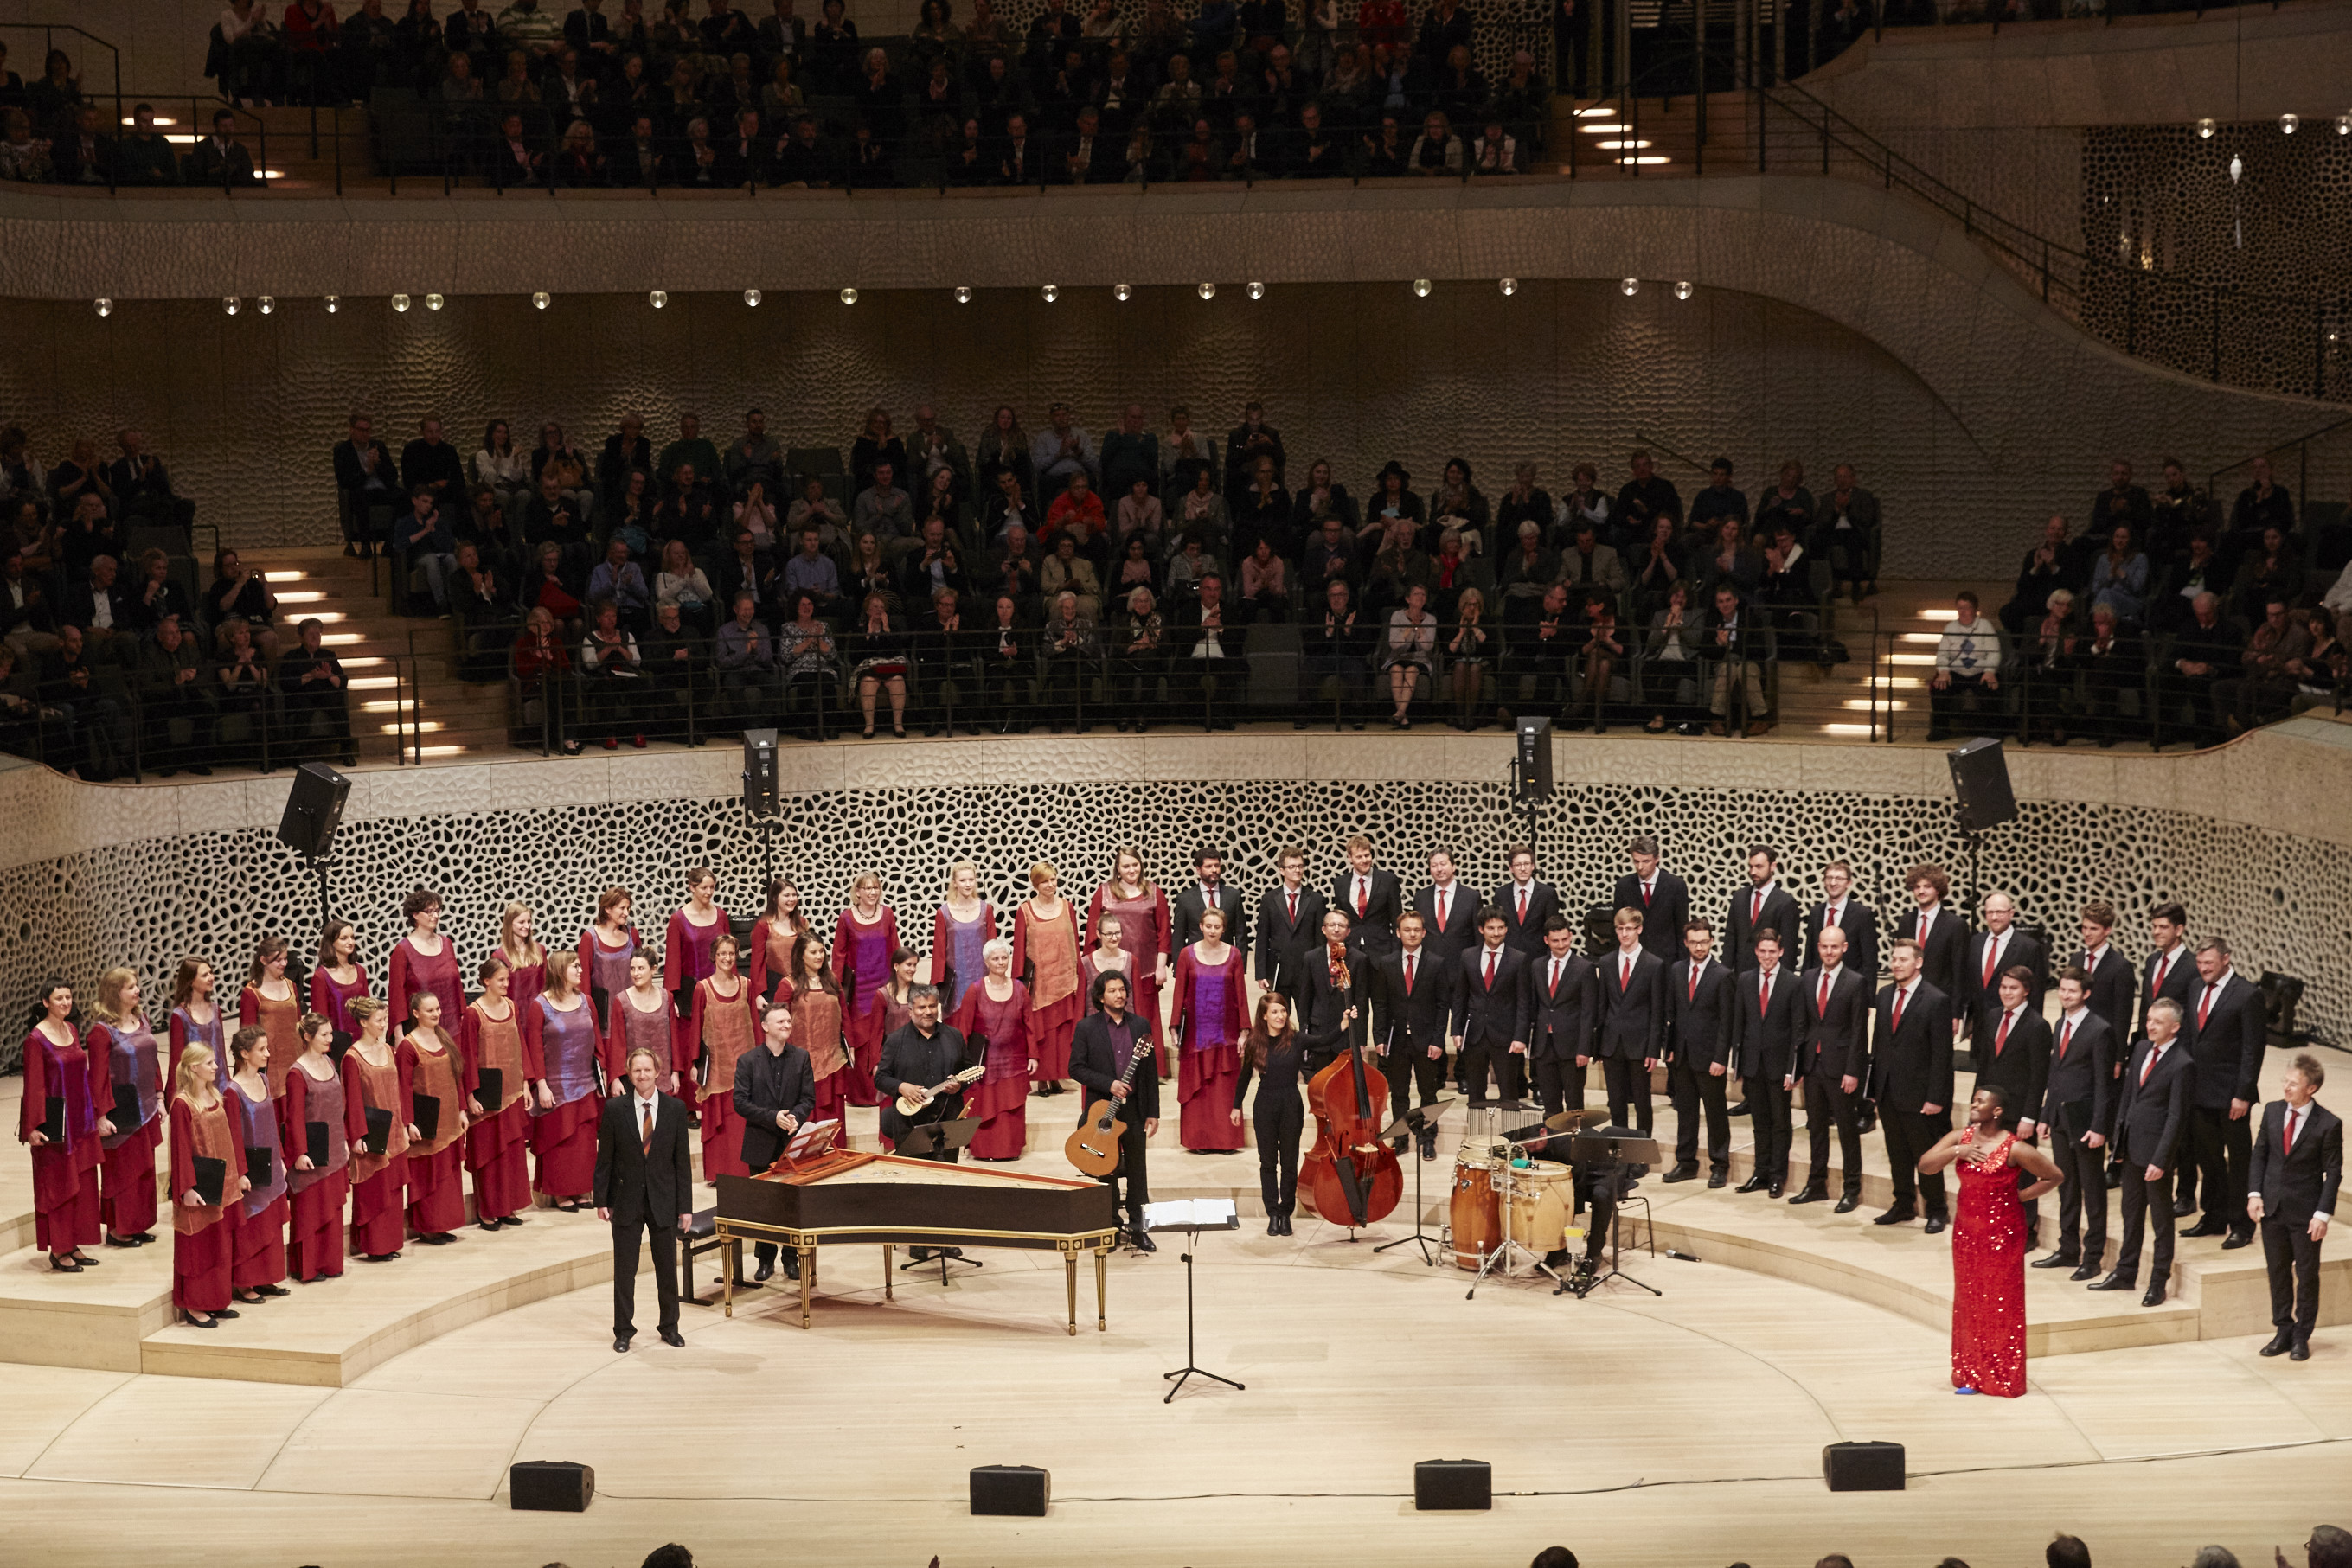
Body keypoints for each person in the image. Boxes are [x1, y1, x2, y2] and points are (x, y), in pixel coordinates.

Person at [1918, 1085, 2063, 1397]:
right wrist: (1957, 1152)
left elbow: (2054, 1176)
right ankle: (1970, 1372)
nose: (1973, 1104)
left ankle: (2001, 1375)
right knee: (1970, 1299)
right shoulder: (1960, 1138)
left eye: (1980, 1101)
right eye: (1973, 1100)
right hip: (1966, 1230)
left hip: (2003, 1232)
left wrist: (2019, 1197)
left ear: (1996, 1111)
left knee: (2000, 1302)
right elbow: (1925, 1166)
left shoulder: (2015, 1148)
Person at [2091, 996, 2194, 1307]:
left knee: (2161, 1221)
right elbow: (2128, 1097)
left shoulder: (2183, 1063)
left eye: (2158, 1022)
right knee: (2130, 1214)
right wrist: (2118, 1143)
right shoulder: (2140, 1049)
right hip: (2131, 1147)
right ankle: (2126, 1271)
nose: (2150, 1025)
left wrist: (2161, 1160)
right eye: (2149, 1019)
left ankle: (2158, 1282)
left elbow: (2176, 1117)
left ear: (2175, 1027)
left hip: (2155, 1155)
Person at [596, 1046, 694, 1351]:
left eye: (647, 1069)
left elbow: (682, 1163)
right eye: (637, 1070)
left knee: (667, 1270)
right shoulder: (615, 1109)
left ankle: (670, 1327)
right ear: (629, 1073)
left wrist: (685, 1207)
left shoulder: (675, 1109)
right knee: (625, 1272)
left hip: (663, 1200)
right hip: (625, 1200)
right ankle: (623, 1330)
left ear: (657, 1072)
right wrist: (601, 1200)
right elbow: (605, 1159)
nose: (642, 1075)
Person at [2247, 1054, 2339, 1360]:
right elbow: (2260, 1154)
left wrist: (2322, 1214)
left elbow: (2333, 1173)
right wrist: (2254, 1193)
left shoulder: (2328, 1124)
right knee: (2277, 1271)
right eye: (2285, 1081)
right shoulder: (2273, 1111)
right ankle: (2283, 1329)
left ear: (2311, 1088)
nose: (2286, 1087)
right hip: (2272, 1208)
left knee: (2307, 1275)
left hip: (2306, 1213)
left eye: (2293, 1083)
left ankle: (2302, 1336)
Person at [2183, 935, 2268, 1251]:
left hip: (2232, 1095)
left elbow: (2252, 1049)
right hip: (2199, 1091)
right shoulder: (2195, 987)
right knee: (2208, 1159)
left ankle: (2242, 1225)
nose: (2203, 968)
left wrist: (2243, 1094)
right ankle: (2214, 1216)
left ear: (2225, 959)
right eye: (2199, 963)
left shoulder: (2247, 994)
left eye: (2209, 963)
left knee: (2239, 1161)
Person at [2033, 970, 2117, 1281]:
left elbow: (2103, 1084)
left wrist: (2099, 1127)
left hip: (2085, 1120)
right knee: (2066, 1186)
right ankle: (2068, 1249)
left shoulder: (2100, 1029)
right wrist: (2046, 1115)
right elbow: (2055, 1074)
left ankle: (2092, 1257)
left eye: (2072, 991)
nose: (2065, 995)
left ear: (2086, 994)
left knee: (2092, 1191)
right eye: (2062, 989)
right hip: (2059, 1118)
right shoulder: (2060, 1024)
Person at [1870, 937, 1954, 1233]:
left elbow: (1942, 1056)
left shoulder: (1936, 999)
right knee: (1897, 1153)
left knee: (1926, 1155)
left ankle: (1936, 1209)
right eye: (1894, 959)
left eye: (1903, 959)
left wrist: (1935, 1097)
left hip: (1920, 1095)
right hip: (1888, 1091)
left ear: (1918, 963)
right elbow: (1879, 1044)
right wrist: (1874, 1089)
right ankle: (1903, 1204)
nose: (1896, 964)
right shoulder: (1883, 995)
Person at [1071, 970, 1160, 1250]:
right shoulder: (1087, 1027)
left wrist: (1153, 1112)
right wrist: (1109, 1084)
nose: (1119, 995)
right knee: (1104, 1169)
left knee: (1137, 1169)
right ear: (1100, 996)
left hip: (1134, 1109)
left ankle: (1139, 1228)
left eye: (1122, 989)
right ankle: (1108, 1227)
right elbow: (1075, 1068)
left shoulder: (1140, 1025)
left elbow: (1150, 1072)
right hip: (1101, 1111)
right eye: (1112, 990)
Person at [22, 979, 103, 1272]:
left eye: (69, 997)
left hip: (81, 1119)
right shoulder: (36, 1039)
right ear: (46, 1002)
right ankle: (59, 1249)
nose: (66, 1002)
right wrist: (32, 1127)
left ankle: (73, 1242)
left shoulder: (71, 1030)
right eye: (59, 998)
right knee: (60, 1185)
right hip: (56, 1124)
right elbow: (33, 1086)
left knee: (82, 1184)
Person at [734, 1002, 815, 1282]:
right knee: (764, 1205)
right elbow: (740, 1102)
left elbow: (808, 1098)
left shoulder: (801, 1057)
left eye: (789, 1021)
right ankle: (765, 1260)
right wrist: (773, 1118)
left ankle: (791, 1259)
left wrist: (794, 1118)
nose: (787, 1025)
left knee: (792, 1204)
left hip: (791, 1143)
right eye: (780, 1021)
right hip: (761, 1142)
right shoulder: (747, 1061)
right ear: (765, 1026)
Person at [85, 967, 163, 1249]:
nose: (137, 990)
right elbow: (97, 1078)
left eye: (136, 985)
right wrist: (101, 1116)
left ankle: (137, 1224)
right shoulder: (101, 1032)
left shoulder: (142, 1018)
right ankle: (119, 1230)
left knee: (145, 1169)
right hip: (121, 1108)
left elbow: (153, 1060)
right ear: (115, 992)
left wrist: (160, 1096)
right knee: (124, 1172)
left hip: (147, 1105)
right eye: (130, 987)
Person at [1794, 924, 1870, 1211]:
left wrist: (1853, 1071)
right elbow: (1802, 1024)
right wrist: (1797, 1067)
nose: (1829, 951)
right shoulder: (1808, 977)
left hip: (1841, 1069)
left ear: (1844, 948)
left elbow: (1859, 1031)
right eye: (1825, 946)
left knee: (1847, 1131)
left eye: (1834, 946)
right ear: (1818, 947)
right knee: (1816, 1128)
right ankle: (1816, 1185)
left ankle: (1851, 1189)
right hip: (1813, 1066)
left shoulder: (1856, 981)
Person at [1372, 909, 1460, 1155]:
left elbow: (1443, 1005)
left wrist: (1438, 1039)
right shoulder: (1387, 963)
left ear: (1423, 933)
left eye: (1416, 930)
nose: (1412, 934)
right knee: (1399, 1093)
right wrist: (1379, 1037)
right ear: (1398, 933)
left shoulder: (1436, 963)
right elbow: (1380, 1004)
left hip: (1427, 1040)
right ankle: (1401, 1138)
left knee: (1428, 1093)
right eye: (1407, 930)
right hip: (1396, 1039)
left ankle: (1427, 1138)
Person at [168, 1041, 243, 1328]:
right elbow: (180, 1149)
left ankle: (216, 1300)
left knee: (220, 1244)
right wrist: (187, 1188)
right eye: (210, 1063)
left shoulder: (215, 1095)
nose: (216, 1066)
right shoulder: (182, 1104)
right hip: (198, 1184)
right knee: (198, 1246)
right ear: (193, 1067)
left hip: (220, 1181)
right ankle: (195, 1305)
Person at [458, 957, 533, 1230]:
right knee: (489, 1155)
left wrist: (525, 1084)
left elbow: (520, 1045)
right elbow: (468, 1056)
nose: (506, 984)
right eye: (501, 980)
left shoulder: (512, 1006)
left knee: (511, 1153)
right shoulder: (473, 1013)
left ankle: (508, 1206)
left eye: (507, 979)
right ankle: (488, 1209)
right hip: (487, 1095)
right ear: (486, 981)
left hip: (511, 1091)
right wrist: (470, 1096)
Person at [281, 1011, 356, 1283]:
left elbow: (338, 1107)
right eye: (324, 1034)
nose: (330, 1039)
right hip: (311, 1152)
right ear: (307, 1036)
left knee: (331, 1209)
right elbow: (294, 1117)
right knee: (311, 1210)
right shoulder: (297, 1073)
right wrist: (300, 1153)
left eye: (330, 1033)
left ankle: (330, 1263)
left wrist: (343, 1140)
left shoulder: (330, 1062)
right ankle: (308, 1267)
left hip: (333, 1146)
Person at [1663, 919, 1734, 1186]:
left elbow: (1726, 1021)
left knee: (1715, 1113)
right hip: (1682, 1055)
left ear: (1712, 941)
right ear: (1686, 943)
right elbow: (1671, 1013)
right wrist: (1669, 1048)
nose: (1699, 947)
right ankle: (1686, 1162)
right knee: (1686, 1111)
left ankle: (1720, 1164)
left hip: (1709, 1056)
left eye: (1704, 942)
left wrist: (1720, 1058)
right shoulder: (1677, 970)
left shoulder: (1723, 975)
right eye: (1694, 942)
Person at [1090, 846, 1172, 1073]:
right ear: (1117, 868)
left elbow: (1164, 932)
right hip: (1112, 972)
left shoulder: (1154, 892)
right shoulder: (1104, 892)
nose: (1131, 869)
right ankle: (1118, 1067)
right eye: (1126, 866)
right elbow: (1092, 934)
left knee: (1145, 1019)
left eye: (1135, 864)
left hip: (1146, 970)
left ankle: (1148, 1069)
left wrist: (1161, 966)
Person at [952, 937, 1035, 1160]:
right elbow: (963, 1029)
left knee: (1012, 1108)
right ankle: (983, 1150)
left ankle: (1010, 1150)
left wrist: (1033, 1056)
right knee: (984, 1105)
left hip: (1014, 1062)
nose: (1000, 962)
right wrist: (961, 1063)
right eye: (995, 959)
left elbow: (1030, 1025)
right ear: (986, 962)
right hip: (984, 1064)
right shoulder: (975, 991)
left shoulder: (1020, 989)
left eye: (1004, 958)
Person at [396, 991, 470, 1245]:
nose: (436, 1013)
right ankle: (428, 1227)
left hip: (448, 1118)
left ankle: (444, 1224)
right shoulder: (408, 1046)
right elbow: (403, 1087)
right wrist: (408, 1123)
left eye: (437, 1008)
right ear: (416, 1013)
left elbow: (456, 1075)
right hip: (426, 1120)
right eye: (430, 1010)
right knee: (428, 1175)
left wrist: (461, 1110)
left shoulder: (444, 1037)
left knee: (448, 1175)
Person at [224, 1025, 290, 1306]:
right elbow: (233, 1135)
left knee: (270, 1221)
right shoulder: (232, 1091)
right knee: (253, 1225)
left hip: (270, 1161)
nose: (268, 1053)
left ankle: (266, 1277)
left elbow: (272, 1124)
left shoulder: (264, 1079)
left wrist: (281, 1159)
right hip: (251, 1167)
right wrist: (240, 1173)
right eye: (261, 1049)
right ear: (244, 1054)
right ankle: (246, 1283)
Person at [875, 983, 977, 1164]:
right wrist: (901, 1087)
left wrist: (960, 1086)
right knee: (914, 1178)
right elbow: (881, 1078)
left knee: (945, 1176)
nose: (928, 1012)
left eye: (932, 1006)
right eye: (921, 1007)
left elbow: (969, 1070)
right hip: (909, 1125)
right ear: (910, 1011)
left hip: (947, 1124)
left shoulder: (954, 1036)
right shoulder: (895, 1040)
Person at [342, 997, 410, 1262]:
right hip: (372, 1132)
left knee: (392, 1189)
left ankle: (390, 1242)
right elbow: (352, 1100)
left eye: (385, 1019)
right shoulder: (352, 1057)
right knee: (374, 1191)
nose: (383, 1025)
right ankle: (375, 1245)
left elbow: (399, 1090)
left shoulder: (389, 1050)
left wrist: (405, 1125)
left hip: (394, 1130)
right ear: (363, 1022)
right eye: (379, 1020)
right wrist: (357, 1136)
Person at [689, 935, 760, 1180]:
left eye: (731, 953)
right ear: (714, 956)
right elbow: (696, 1028)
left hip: (744, 1063)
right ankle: (719, 1172)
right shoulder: (702, 988)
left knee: (741, 1119)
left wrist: (762, 1057)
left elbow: (756, 1024)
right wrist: (694, 1063)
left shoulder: (747, 985)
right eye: (722, 954)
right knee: (719, 1122)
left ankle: (742, 1170)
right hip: (716, 1066)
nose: (727, 958)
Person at [1591, 907, 1664, 1136]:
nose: (1624, 934)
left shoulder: (1653, 964)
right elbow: (1602, 1006)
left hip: (1640, 1044)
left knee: (1642, 1101)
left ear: (1639, 929)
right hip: (1612, 1043)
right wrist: (1598, 1046)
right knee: (1616, 1101)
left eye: (1629, 929)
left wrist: (1653, 1049)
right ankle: (1619, 1148)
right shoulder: (1606, 962)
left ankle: (1643, 1149)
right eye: (1620, 928)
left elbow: (1657, 1012)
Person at [1013, 861, 1084, 1094]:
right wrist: (1018, 984)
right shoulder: (1025, 911)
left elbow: (1074, 942)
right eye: (1045, 881)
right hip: (1040, 984)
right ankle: (1042, 1079)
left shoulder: (1067, 907)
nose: (1051, 885)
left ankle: (1056, 1077)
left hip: (1064, 980)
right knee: (1042, 1034)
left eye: (1053, 879)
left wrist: (1079, 974)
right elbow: (1020, 949)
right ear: (1036, 884)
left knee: (1061, 1034)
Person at [663, 866, 732, 1104]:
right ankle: (691, 1104)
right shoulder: (678, 919)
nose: (709, 892)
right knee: (691, 1046)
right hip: (690, 991)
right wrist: (672, 996)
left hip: (718, 987)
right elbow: (673, 960)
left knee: (718, 1041)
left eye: (712, 887)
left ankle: (718, 1098)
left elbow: (728, 951)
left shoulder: (721, 915)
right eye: (704, 887)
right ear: (691, 887)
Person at [833, 871, 900, 1105]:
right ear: (858, 892)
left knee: (883, 1036)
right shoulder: (846, 919)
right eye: (867, 888)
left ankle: (886, 1089)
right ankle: (863, 1095)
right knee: (861, 1040)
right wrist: (835, 988)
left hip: (884, 985)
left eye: (876, 888)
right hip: (858, 991)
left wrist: (899, 981)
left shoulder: (888, 914)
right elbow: (839, 955)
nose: (873, 892)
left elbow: (895, 948)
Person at [1458, 907, 1531, 1110]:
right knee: (1475, 1093)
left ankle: (1511, 1130)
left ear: (1506, 929)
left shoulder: (1518, 958)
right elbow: (1460, 997)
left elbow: (1524, 1002)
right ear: (1481, 929)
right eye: (1491, 928)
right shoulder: (1468, 956)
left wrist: (1520, 1037)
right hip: (1475, 1035)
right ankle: (1477, 1131)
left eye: (1501, 928)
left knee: (1509, 1092)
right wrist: (1457, 1030)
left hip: (1506, 1036)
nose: (1496, 933)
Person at [782, 934, 849, 1136]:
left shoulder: (832, 980)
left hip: (832, 1061)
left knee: (833, 1122)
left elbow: (844, 1016)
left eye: (821, 951)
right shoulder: (788, 985)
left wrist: (851, 1047)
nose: (819, 956)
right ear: (801, 955)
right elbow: (779, 1025)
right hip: (802, 1065)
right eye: (813, 952)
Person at [388, 886, 465, 1032]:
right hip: (420, 1030)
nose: (435, 916)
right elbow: (396, 996)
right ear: (415, 915)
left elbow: (457, 987)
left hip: (453, 1026)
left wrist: (463, 1017)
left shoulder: (447, 943)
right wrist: (398, 1034)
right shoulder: (402, 950)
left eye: (437, 910)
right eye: (429, 911)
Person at [1613, 835, 1690, 962]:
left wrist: (1681, 966)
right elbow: (1617, 927)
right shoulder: (1624, 886)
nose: (1640, 867)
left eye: (1646, 861)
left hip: (1666, 961)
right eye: (1636, 861)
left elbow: (1682, 929)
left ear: (1657, 859)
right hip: (1633, 959)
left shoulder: (1675, 886)